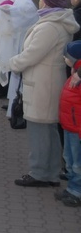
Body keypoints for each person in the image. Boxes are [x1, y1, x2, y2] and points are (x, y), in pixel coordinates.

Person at [7, 0, 78, 189]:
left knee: (39, 129)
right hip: (46, 80)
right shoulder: (56, 21)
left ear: (47, 1)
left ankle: (39, 172)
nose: (39, 1)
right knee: (49, 130)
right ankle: (51, 172)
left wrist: (12, 63)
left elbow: (32, 54)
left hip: (42, 83)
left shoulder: (50, 26)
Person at [58, 40, 81, 207]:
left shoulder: (78, 77)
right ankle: (72, 187)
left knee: (77, 162)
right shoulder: (74, 74)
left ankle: (76, 191)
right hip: (69, 125)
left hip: (77, 128)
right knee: (70, 159)